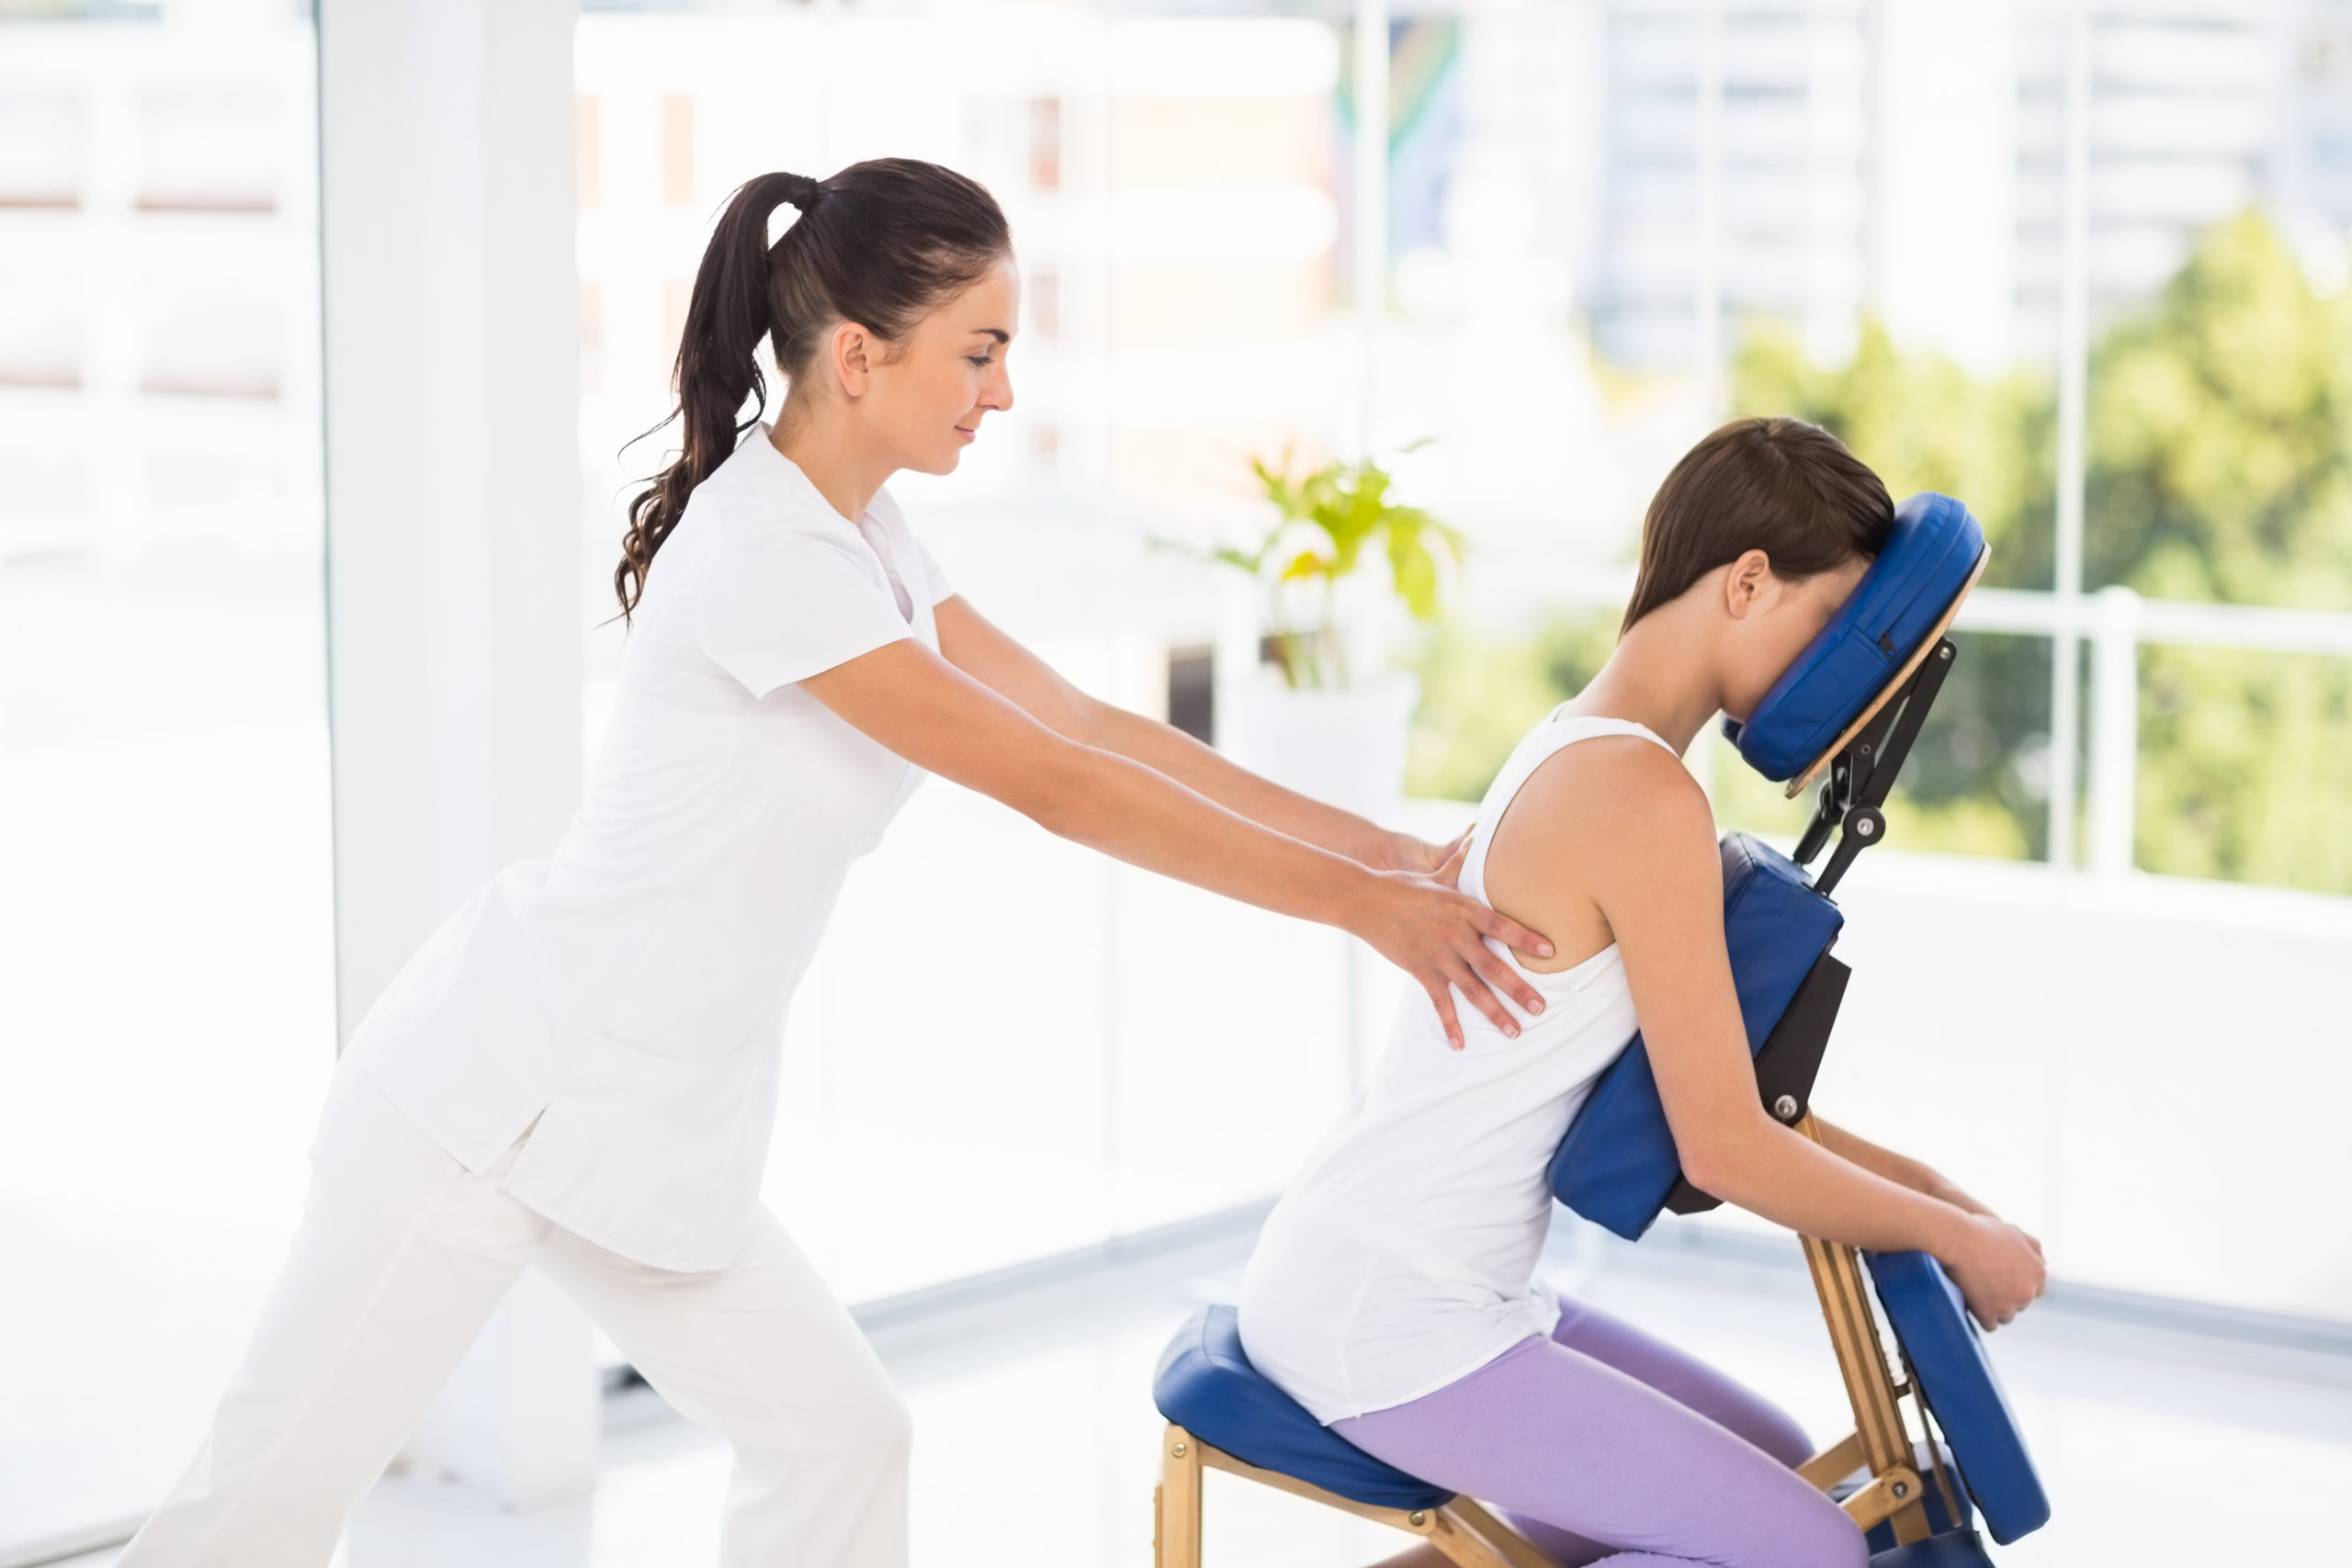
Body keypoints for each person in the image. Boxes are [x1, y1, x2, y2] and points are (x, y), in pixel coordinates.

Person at [119, 159, 1557, 1568]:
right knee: (243, 1525)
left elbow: (1078, 717)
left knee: (839, 1438)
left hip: (642, 1125)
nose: (1003, 392)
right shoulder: (768, 554)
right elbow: (1054, 783)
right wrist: (1367, 909)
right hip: (496, 1094)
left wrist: (1385, 846)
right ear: (861, 354)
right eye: (980, 352)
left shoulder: (861, 530)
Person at [1234, 417, 2049, 1568]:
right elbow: (1724, 1149)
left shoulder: (1586, 746)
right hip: (1392, 1315)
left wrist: (1946, 1203)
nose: (1840, 676)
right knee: (1802, 1553)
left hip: (1410, 1274)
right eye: (1831, 624)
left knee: (1771, 1456)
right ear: (1749, 581)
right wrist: (1949, 1232)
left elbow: (1730, 1102)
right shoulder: (1640, 797)